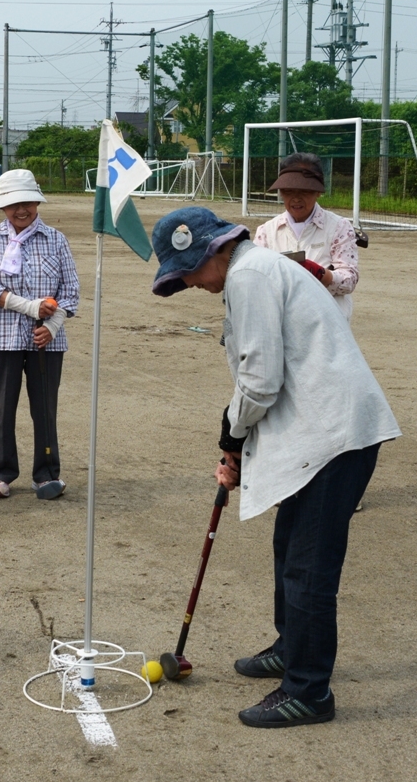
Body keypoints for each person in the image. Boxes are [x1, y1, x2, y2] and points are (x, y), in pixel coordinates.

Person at [150, 206, 400, 728]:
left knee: (309, 570)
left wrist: (231, 434)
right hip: (318, 430)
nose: (190, 283)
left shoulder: (251, 275)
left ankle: (309, 691)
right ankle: (292, 647)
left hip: (335, 437)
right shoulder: (251, 271)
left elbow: (260, 381)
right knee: (291, 548)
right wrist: (235, 446)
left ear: (215, 249)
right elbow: (257, 374)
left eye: (190, 270)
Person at [0, 169, 80, 500]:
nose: (22, 210)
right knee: (1, 407)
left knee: (45, 408)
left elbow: (71, 292)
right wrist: (30, 307)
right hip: (1, 338)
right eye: (14, 204)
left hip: (46, 343)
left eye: (28, 203)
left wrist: (51, 326)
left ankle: (46, 474)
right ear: (3, 206)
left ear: (37, 201)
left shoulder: (56, 239)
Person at [251, 153, 360, 323]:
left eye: (304, 191)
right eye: (288, 192)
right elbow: (255, 280)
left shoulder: (339, 227)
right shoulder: (266, 231)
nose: (295, 198)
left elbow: (349, 280)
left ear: (318, 192)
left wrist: (321, 274)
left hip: (327, 324)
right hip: (281, 324)